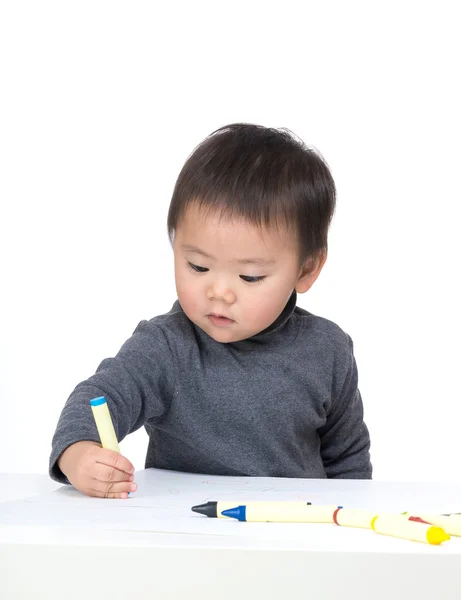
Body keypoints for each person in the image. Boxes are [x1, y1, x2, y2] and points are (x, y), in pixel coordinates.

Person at [49, 123, 372, 498]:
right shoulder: (165, 347)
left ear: (306, 269)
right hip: (184, 533)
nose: (219, 292)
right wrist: (79, 454)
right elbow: (101, 395)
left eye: (250, 276)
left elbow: (348, 461)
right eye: (198, 267)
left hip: (294, 533)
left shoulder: (327, 350)